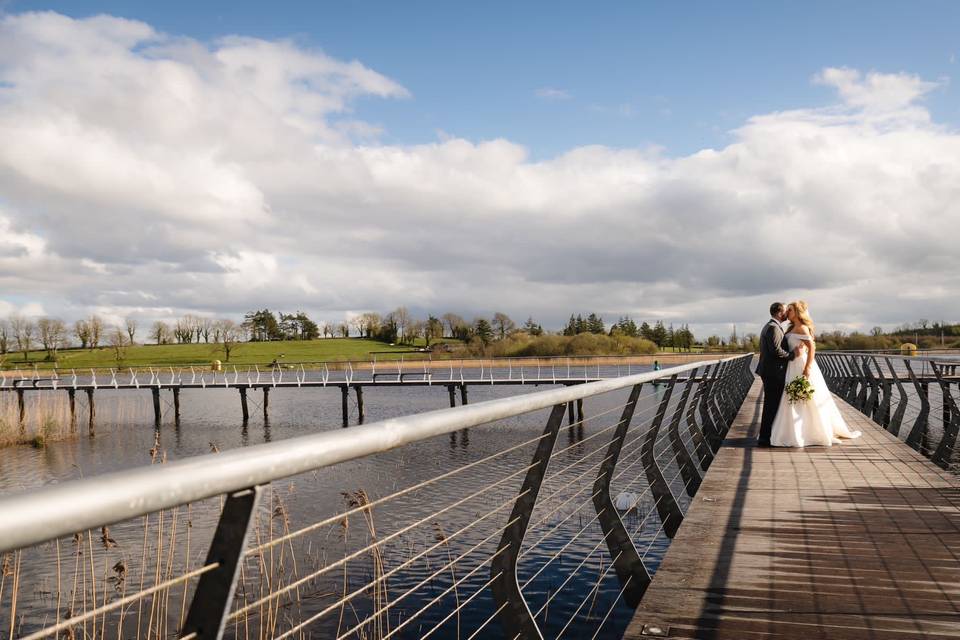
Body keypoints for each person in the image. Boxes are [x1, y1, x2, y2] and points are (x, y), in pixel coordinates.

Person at [769, 301, 861, 447]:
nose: (788, 313)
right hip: (791, 366)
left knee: (807, 397)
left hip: (801, 365)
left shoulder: (803, 328)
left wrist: (807, 368)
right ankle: (794, 431)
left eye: (790, 310)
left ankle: (811, 431)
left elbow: (812, 348)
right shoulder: (791, 328)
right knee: (791, 396)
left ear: (797, 312)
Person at [754, 302, 802, 447]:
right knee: (771, 405)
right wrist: (793, 355)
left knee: (772, 405)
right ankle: (765, 438)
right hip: (772, 373)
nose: (787, 313)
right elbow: (776, 350)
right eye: (786, 310)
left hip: (770, 372)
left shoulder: (772, 326)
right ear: (780, 313)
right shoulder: (774, 328)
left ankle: (768, 436)